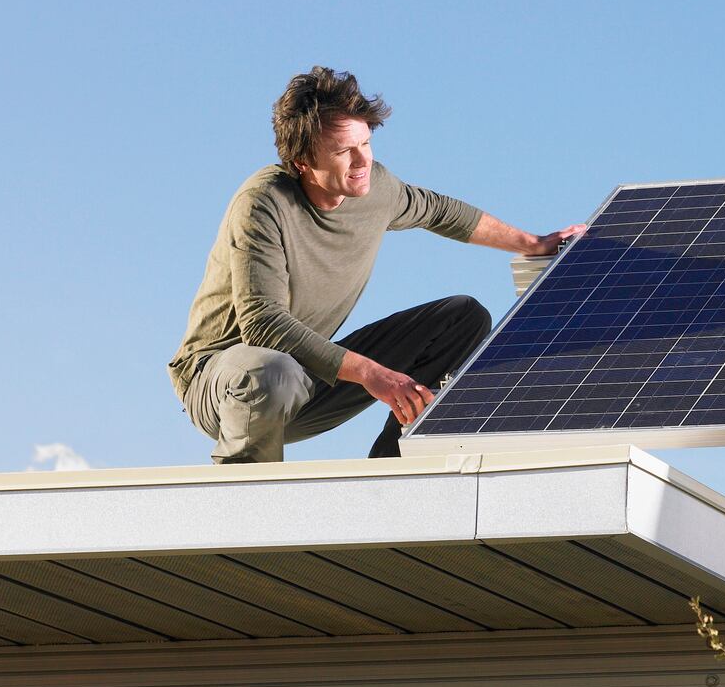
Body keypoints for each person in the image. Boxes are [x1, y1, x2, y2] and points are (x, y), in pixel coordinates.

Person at [168, 67, 585, 463]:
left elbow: (442, 212)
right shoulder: (263, 204)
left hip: (306, 378)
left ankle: (391, 474)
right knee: (272, 370)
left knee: (464, 318)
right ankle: (244, 514)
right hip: (223, 384)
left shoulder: (375, 189)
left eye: (365, 143)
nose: (362, 161)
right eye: (343, 151)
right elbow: (264, 326)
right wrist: (373, 374)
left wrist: (533, 242)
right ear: (302, 163)